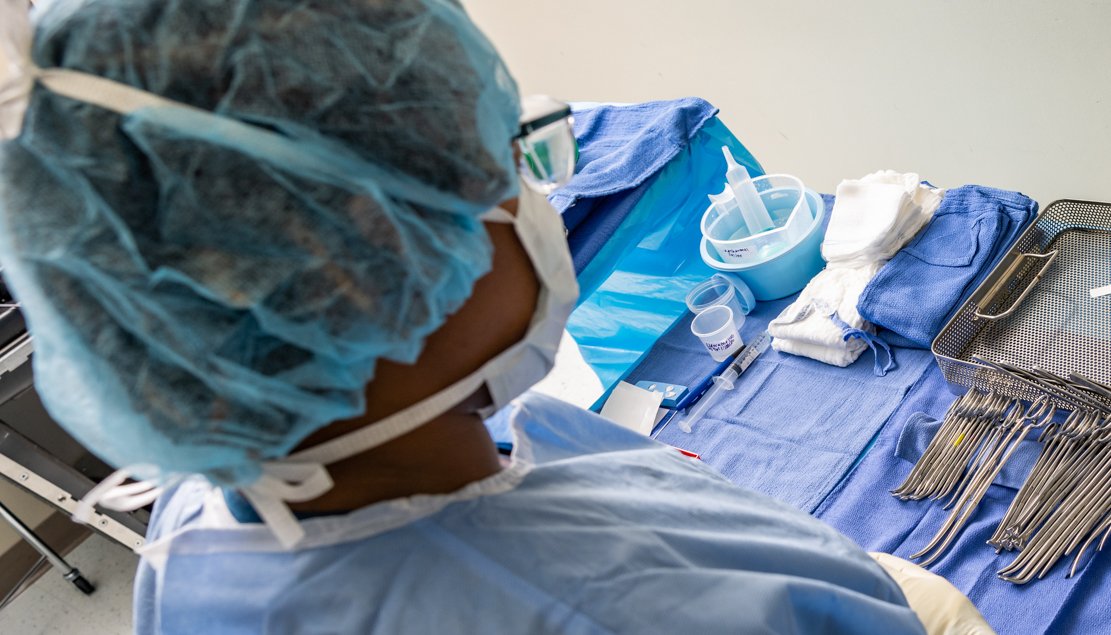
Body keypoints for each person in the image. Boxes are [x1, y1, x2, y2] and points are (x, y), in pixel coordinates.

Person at [0, 0, 989, 633]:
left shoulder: (202, 514)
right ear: (379, 275)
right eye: (500, 160)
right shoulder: (619, 608)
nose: (538, 195)